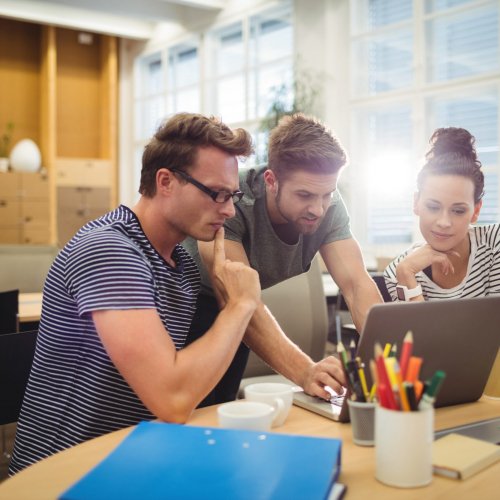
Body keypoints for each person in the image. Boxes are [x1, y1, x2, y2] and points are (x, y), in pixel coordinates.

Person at [9, 113, 260, 474]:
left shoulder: (183, 268)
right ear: (166, 182)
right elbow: (173, 400)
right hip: (65, 471)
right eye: (217, 193)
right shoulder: (109, 250)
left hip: (133, 458)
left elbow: (184, 384)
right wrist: (241, 304)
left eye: (232, 195)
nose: (229, 209)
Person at [183, 113, 383, 406]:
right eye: (304, 195)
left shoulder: (327, 204)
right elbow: (237, 298)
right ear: (271, 180)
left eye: (326, 194)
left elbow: (356, 285)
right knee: (193, 416)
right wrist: (306, 371)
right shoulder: (231, 200)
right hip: (188, 307)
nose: (317, 208)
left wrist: (390, 363)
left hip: (240, 312)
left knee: (224, 410)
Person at [384, 127, 500, 301]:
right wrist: (406, 273)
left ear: (475, 211)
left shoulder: (495, 243)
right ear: (416, 203)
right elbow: (415, 329)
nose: (444, 222)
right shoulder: (398, 271)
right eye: (433, 207)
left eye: (458, 211)